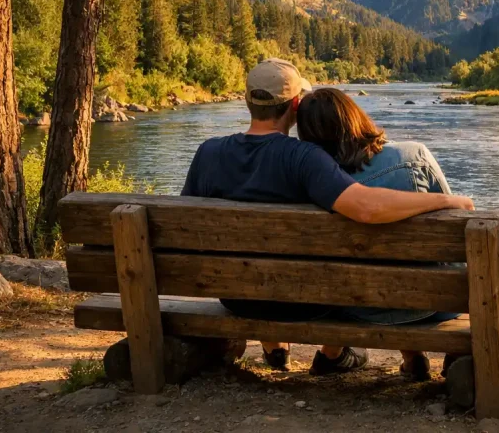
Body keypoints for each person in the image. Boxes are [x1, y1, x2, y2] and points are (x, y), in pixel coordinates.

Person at [180, 58, 474, 379]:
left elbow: (183, 225)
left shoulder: (207, 152)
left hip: (235, 297)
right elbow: (364, 208)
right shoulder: (303, 159)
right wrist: (444, 200)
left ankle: (275, 345)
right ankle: (332, 352)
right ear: (295, 106)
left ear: (247, 100)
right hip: (298, 302)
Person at [296, 87, 458, 380]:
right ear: (356, 116)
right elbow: (455, 233)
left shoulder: (310, 181)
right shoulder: (413, 156)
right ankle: (422, 354)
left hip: (350, 306)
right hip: (427, 302)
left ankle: (337, 353)